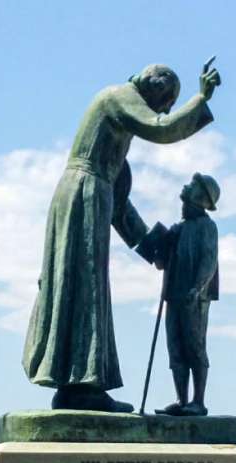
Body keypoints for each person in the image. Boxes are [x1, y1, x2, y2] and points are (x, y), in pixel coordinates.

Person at [22, 61, 221, 413]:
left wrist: (152, 249)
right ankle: (85, 385)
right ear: (154, 88)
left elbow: (120, 206)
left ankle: (77, 386)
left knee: (85, 285)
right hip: (84, 194)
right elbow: (162, 130)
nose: (164, 110)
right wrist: (201, 98)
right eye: (166, 102)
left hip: (90, 195)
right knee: (85, 284)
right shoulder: (119, 97)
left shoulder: (118, 128)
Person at [155, 172, 220, 416]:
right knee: (175, 348)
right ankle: (182, 401)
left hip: (194, 298)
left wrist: (198, 288)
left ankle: (198, 401)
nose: (186, 188)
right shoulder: (179, 229)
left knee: (195, 347)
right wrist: (163, 243)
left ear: (201, 199)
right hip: (174, 296)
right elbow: (161, 263)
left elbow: (208, 260)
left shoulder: (207, 227)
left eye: (192, 188)